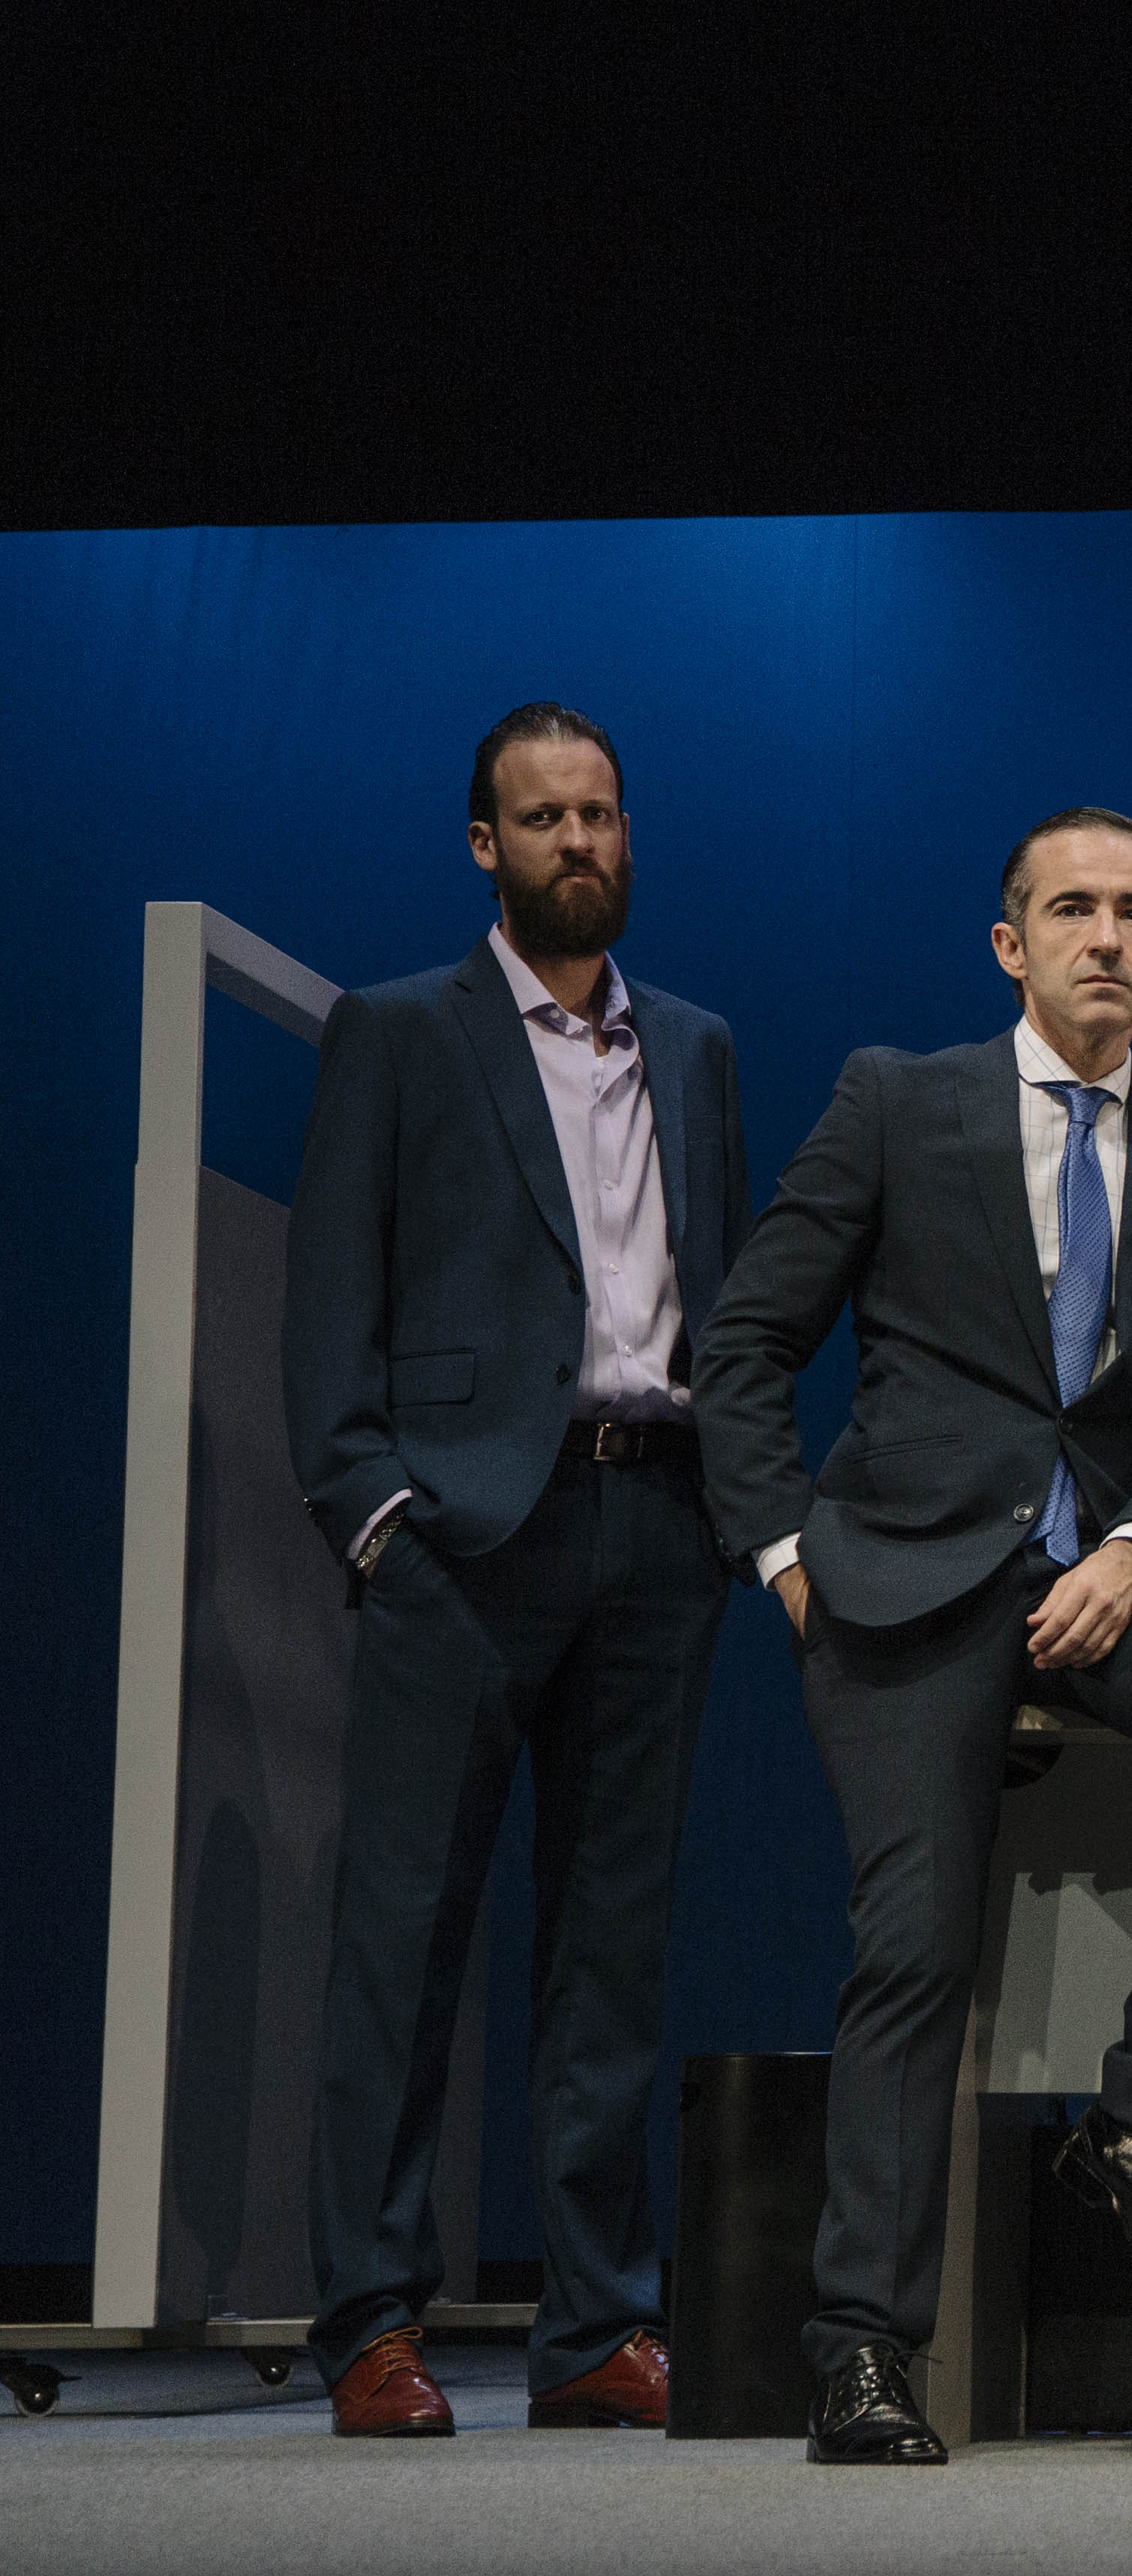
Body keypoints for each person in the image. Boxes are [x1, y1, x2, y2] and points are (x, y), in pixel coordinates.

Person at [695, 805, 1132, 2466]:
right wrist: (783, 1553)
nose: (1104, 936)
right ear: (1009, 943)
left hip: (1092, 1574)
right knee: (917, 1948)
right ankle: (862, 2352)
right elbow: (745, 1345)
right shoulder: (899, 1101)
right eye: (1072, 909)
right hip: (897, 1574)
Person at [284, 702, 748, 2437]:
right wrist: (373, 1512)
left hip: (653, 1523)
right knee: (403, 1941)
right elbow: (332, 1297)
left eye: (600, 813)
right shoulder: (401, 1029)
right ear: (486, 843)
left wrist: (729, 1506)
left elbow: (726, 1292)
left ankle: (593, 2326)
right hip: (465, 1534)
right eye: (543, 817)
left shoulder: (693, 1046)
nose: (578, 841)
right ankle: (370, 2319)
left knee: (611, 1950)